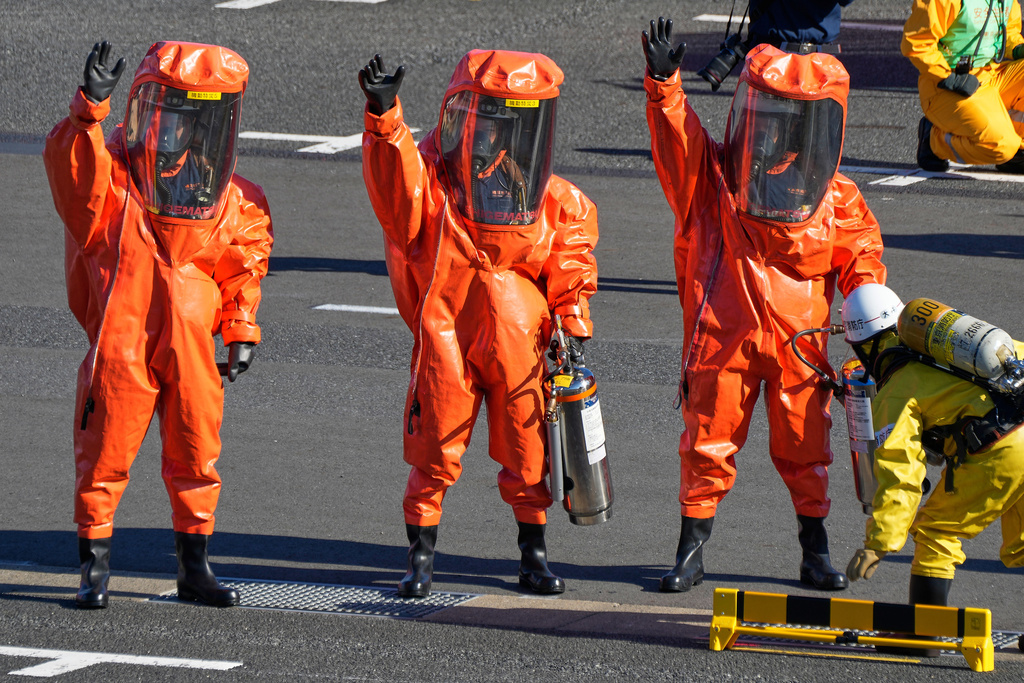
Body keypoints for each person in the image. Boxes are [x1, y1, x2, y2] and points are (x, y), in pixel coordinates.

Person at [642, 18, 886, 593]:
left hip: (798, 344)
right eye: (773, 121)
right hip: (724, 336)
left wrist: (872, 320)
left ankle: (814, 552)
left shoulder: (837, 201)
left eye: (800, 124)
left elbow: (864, 263)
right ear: (751, 117)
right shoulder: (713, 181)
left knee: (807, 447)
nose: (784, 137)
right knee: (707, 441)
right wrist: (664, 84)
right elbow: (676, 141)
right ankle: (690, 551)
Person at [359, 51, 599, 598]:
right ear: (459, 117)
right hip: (448, 329)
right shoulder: (431, 180)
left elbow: (571, 255)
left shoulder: (543, 193)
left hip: (521, 338)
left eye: (503, 123)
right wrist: (385, 118)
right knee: (434, 447)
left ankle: (533, 557)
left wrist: (573, 320)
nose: (490, 135)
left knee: (529, 449)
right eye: (483, 120)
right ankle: (420, 559)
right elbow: (396, 198)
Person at [44, 41, 274, 609]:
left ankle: (194, 570)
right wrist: (88, 110)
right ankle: (93, 572)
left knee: (197, 451)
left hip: (192, 342)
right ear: (147, 111)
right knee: (103, 453)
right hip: (123, 335)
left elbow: (243, 265)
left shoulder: (229, 195)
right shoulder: (112, 180)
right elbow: (72, 174)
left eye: (194, 116)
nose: (177, 128)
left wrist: (241, 328)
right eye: (170, 114)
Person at [843, 284, 1024, 610]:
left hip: (1003, 449)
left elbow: (900, 472)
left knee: (935, 531)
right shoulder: (958, 350)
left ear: (866, 348)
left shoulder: (897, 389)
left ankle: (923, 636)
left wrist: (879, 544)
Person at [903, 0, 1024, 173]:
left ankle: (1018, 153)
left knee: (1010, 146)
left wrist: (1018, 48)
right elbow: (917, 42)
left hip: (990, 75)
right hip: (948, 84)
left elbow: (1008, 30)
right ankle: (934, 140)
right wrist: (947, 77)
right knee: (1001, 146)